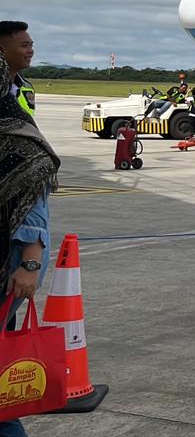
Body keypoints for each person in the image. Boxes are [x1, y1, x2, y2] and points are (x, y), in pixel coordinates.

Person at [0, 50, 57, 437]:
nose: (31, 50)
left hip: (11, 259)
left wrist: (31, 263)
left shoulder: (13, 130)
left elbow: (33, 194)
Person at [0, 22, 35, 120]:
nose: (30, 51)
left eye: (31, 46)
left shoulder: (26, 87)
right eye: (24, 46)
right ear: (1, 50)